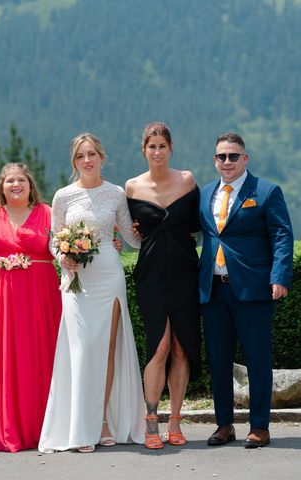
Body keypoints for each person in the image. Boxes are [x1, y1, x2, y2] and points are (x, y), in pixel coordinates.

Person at [38, 133, 145, 453]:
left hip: (109, 275)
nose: (87, 160)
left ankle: (102, 421)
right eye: (81, 156)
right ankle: (80, 426)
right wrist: (62, 256)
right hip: (76, 280)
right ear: (75, 162)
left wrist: (159, 227)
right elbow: (53, 239)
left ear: (102, 157)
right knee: (82, 350)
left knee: (108, 349)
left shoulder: (116, 193)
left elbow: (131, 236)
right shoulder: (63, 196)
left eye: (92, 154)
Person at [199, 132, 293, 448]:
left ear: (245, 158)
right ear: (215, 160)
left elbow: (282, 236)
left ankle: (259, 426)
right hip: (213, 291)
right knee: (219, 359)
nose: (227, 162)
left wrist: (279, 277)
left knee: (257, 359)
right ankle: (224, 424)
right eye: (221, 156)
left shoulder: (266, 191)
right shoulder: (205, 193)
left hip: (254, 290)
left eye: (233, 156)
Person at [0, 163, 62, 452]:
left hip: (40, 297)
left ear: (31, 185)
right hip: (1, 299)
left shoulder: (48, 213)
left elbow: (74, 238)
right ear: (1, 186)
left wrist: (112, 243)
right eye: (10, 180)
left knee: (40, 354)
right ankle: (6, 426)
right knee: (3, 355)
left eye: (21, 179)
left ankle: (46, 426)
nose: (16, 184)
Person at [125, 122, 201, 449]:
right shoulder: (130, 187)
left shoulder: (187, 180)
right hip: (151, 274)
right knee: (160, 346)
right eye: (151, 146)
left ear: (171, 149)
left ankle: (176, 420)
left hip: (185, 270)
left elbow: (202, 223)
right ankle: (151, 419)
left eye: (162, 146)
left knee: (182, 345)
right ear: (144, 150)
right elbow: (126, 229)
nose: (157, 152)